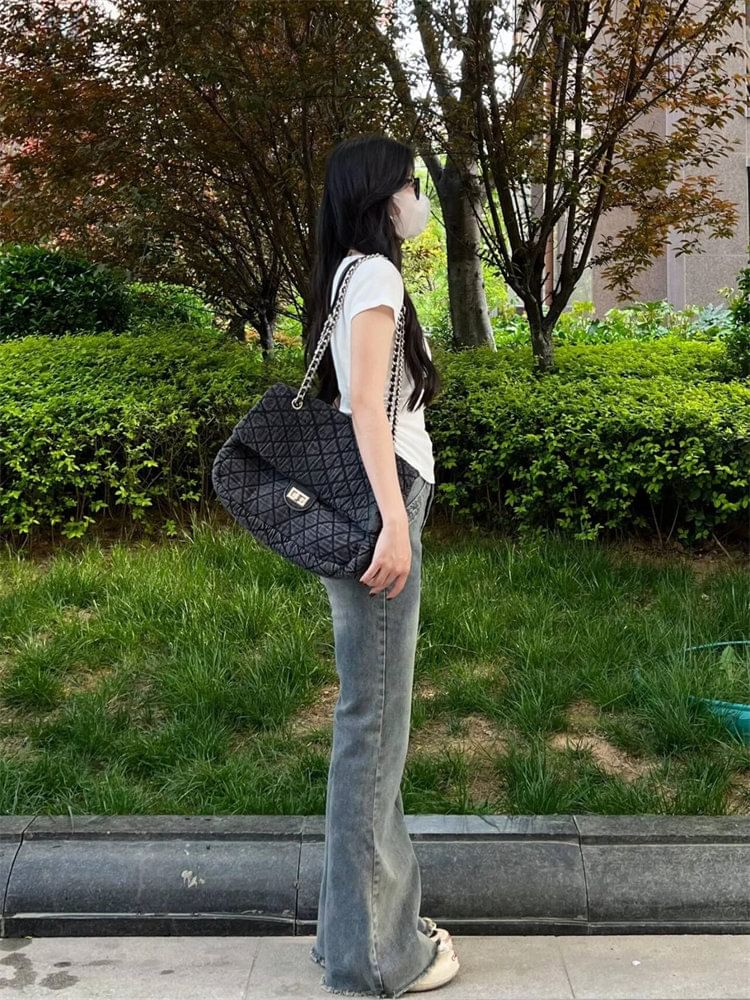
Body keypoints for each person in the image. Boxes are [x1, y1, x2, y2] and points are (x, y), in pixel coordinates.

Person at [305, 134, 461, 997]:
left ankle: (352, 936)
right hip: (380, 501)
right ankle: (376, 956)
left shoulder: (346, 275)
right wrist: (394, 523)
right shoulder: (375, 276)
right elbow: (367, 406)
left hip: (368, 500)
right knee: (374, 730)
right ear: (382, 197)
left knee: (366, 723)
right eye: (412, 185)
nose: (419, 199)